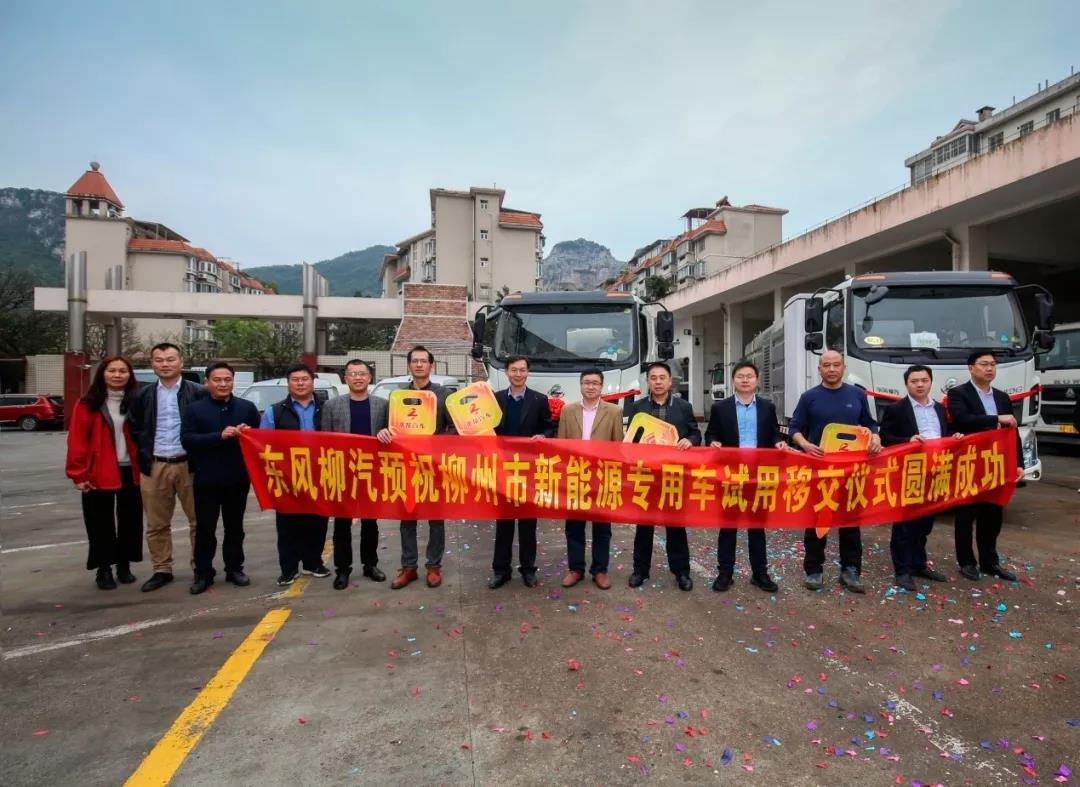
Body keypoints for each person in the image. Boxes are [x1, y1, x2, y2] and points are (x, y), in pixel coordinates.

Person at [789, 350, 882, 593]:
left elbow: (870, 423)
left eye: (836, 365)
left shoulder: (857, 395)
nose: (831, 369)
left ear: (844, 367)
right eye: (827, 365)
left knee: (850, 521)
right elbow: (795, 428)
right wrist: (806, 445)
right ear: (819, 369)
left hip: (851, 470)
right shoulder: (809, 398)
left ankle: (850, 570)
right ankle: (814, 570)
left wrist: (875, 437)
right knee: (818, 520)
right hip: (820, 470)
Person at [128, 342, 206, 592]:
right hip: (155, 464)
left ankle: (200, 567)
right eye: (159, 360)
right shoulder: (142, 395)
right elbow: (135, 427)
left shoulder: (198, 392)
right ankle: (162, 569)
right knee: (156, 524)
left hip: (189, 464)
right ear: (152, 364)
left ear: (181, 362)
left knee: (199, 521)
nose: (165, 364)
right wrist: (145, 453)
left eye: (170, 359)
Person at [703, 360, 785, 593]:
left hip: (758, 475)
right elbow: (711, 434)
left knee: (757, 526)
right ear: (733, 381)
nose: (745, 380)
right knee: (728, 526)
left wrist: (778, 442)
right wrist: (713, 442)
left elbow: (774, 433)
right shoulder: (721, 408)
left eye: (749, 376)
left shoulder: (767, 407)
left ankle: (760, 574)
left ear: (757, 380)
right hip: (731, 475)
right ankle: (725, 574)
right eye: (740, 376)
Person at [180, 361, 261, 595]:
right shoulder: (195, 409)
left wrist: (249, 433)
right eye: (217, 380)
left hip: (237, 478)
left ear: (233, 382)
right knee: (205, 529)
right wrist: (219, 436)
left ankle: (234, 568)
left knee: (235, 527)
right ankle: (203, 573)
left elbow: (259, 439)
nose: (223, 384)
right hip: (206, 478)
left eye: (227, 380)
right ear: (207, 382)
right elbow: (187, 440)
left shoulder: (246, 408)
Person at [879, 365, 962, 591]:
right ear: (906, 384)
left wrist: (954, 436)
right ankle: (903, 570)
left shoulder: (940, 408)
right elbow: (885, 437)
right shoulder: (896, 409)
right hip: (909, 472)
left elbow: (945, 433)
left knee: (925, 522)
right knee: (905, 524)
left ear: (930, 382)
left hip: (936, 472)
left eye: (924, 380)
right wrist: (908, 440)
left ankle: (918, 564)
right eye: (914, 381)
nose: (919, 385)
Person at [378, 345, 454, 590]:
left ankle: (433, 566)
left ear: (431, 365)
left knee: (436, 519)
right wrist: (383, 432)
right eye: (415, 361)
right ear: (409, 366)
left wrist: (436, 443)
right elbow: (386, 427)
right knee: (407, 518)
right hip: (406, 466)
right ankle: (408, 567)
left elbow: (455, 429)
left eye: (424, 361)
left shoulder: (443, 395)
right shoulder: (398, 397)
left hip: (434, 466)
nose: (419, 365)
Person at [65, 355, 143, 590]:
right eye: (112, 371)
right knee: (100, 523)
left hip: (132, 471)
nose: (117, 375)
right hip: (98, 471)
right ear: (102, 374)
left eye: (123, 371)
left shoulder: (137, 401)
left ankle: (124, 565)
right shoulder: (88, 403)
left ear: (130, 375)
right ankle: (104, 568)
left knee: (131, 521)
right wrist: (78, 474)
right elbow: (77, 440)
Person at [946, 351, 1025, 582]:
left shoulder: (1002, 397)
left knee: (993, 514)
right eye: (984, 364)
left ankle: (990, 561)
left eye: (992, 364)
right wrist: (996, 419)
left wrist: (1018, 463)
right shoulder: (958, 394)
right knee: (966, 514)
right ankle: (967, 562)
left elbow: (1012, 432)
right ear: (971, 368)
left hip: (996, 463)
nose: (989, 368)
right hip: (970, 462)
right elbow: (963, 419)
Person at [627, 362, 700, 591]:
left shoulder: (684, 407)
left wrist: (690, 440)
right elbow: (631, 439)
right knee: (644, 526)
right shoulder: (637, 407)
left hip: (674, 475)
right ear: (648, 382)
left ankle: (681, 572)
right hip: (646, 475)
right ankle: (640, 571)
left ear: (670, 381)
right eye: (653, 378)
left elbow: (695, 433)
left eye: (662, 378)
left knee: (675, 526)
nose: (658, 382)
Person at [320, 359, 389, 590]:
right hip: (342, 472)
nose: (358, 378)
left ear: (370, 378)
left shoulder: (382, 405)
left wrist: (386, 434)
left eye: (362, 374)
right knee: (342, 525)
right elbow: (325, 441)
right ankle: (342, 569)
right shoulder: (332, 406)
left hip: (371, 472)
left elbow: (390, 437)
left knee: (371, 523)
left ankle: (370, 565)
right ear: (345, 378)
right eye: (353, 374)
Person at [261, 363, 331, 586]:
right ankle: (288, 569)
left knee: (317, 521)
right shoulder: (274, 411)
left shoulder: (326, 408)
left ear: (313, 382)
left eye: (304, 379)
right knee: (287, 524)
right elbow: (263, 443)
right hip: (287, 475)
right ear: (288, 383)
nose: (300, 383)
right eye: (295, 379)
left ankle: (313, 563)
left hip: (319, 473)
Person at [488, 355, 554, 589]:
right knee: (503, 523)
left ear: (528, 372)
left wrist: (543, 436)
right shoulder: (495, 399)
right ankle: (501, 570)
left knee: (528, 524)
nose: (518, 374)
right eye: (514, 370)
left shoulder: (539, 399)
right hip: (502, 468)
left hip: (528, 470)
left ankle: (528, 569)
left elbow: (549, 427)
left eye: (522, 370)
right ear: (507, 372)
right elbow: (487, 428)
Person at [557, 368, 624, 590]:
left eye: (595, 383)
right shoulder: (568, 410)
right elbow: (561, 444)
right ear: (581, 385)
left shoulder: (614, 411)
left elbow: (618, 446)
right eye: (587, 382)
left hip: (603, 476)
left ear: (601, 386)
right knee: (574, 526)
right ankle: (575, 569)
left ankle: (600, 570)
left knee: (602, 528)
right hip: (575, 475)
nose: (591, 386)